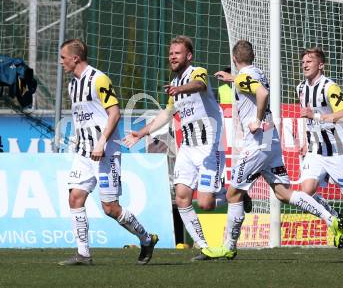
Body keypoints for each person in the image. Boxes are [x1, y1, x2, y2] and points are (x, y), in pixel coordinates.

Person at [201, 40, 343, 260]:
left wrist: (256, 120)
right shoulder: (257, 72)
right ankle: (331, 219)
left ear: (234, 59)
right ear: (253, 58)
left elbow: (261, 94)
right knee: (283, 193)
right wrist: (233, 78)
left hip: (258, 141)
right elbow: (253, 85)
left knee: (233, 194)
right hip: (271, 138)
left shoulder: (243, 79)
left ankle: (228, 246)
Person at [123, 35, 228, 260]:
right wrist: (142, 132)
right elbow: (167, 113)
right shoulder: (175, 85)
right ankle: (205, 247)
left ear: (188, 56)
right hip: (188, 148)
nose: (172, 56)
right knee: (182, 197)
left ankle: (236, 195)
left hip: (209, 146)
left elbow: (200, 85)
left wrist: (179, 90)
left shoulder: (196, 72)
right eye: (170, 53)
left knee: (206, 203)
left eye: (177, 53)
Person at [58, 39, 158, 266]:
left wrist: (101, 142)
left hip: (105, 152)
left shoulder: (98, 79)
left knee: (110, 208)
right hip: (84, 152)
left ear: (75, 58)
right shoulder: (73, 84)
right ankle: (83, 253)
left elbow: (114, 113)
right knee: (75, 197)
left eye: (63, 57)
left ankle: (146, 238)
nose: (61, 61)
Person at [297, 47, 343, 247]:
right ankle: (336, 217)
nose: (304, 64)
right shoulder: (301, 88)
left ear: (321, 65)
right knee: (306, 192)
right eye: (303, 61)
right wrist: (304, 140)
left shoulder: (329, 87)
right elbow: (305, 116)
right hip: (315, 149)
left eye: (309, 61)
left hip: (337, 150)